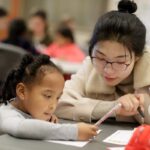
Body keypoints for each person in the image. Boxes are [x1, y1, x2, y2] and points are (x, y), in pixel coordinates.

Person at [55, 0, 150, 124]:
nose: (108, 70)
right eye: (101, 58)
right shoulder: (90, 64)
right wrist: (113, 108)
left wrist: (143, 92)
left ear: (137, 57)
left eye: (120, 62)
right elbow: (57, 104)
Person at [0, 54, 97, 140]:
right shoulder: (6, 114)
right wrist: (74, 131)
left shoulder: (30, 110)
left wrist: (45, 120)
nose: (53, 106)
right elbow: (21, 128)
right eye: (47, 96)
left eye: (57, 98)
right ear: (22, 91)